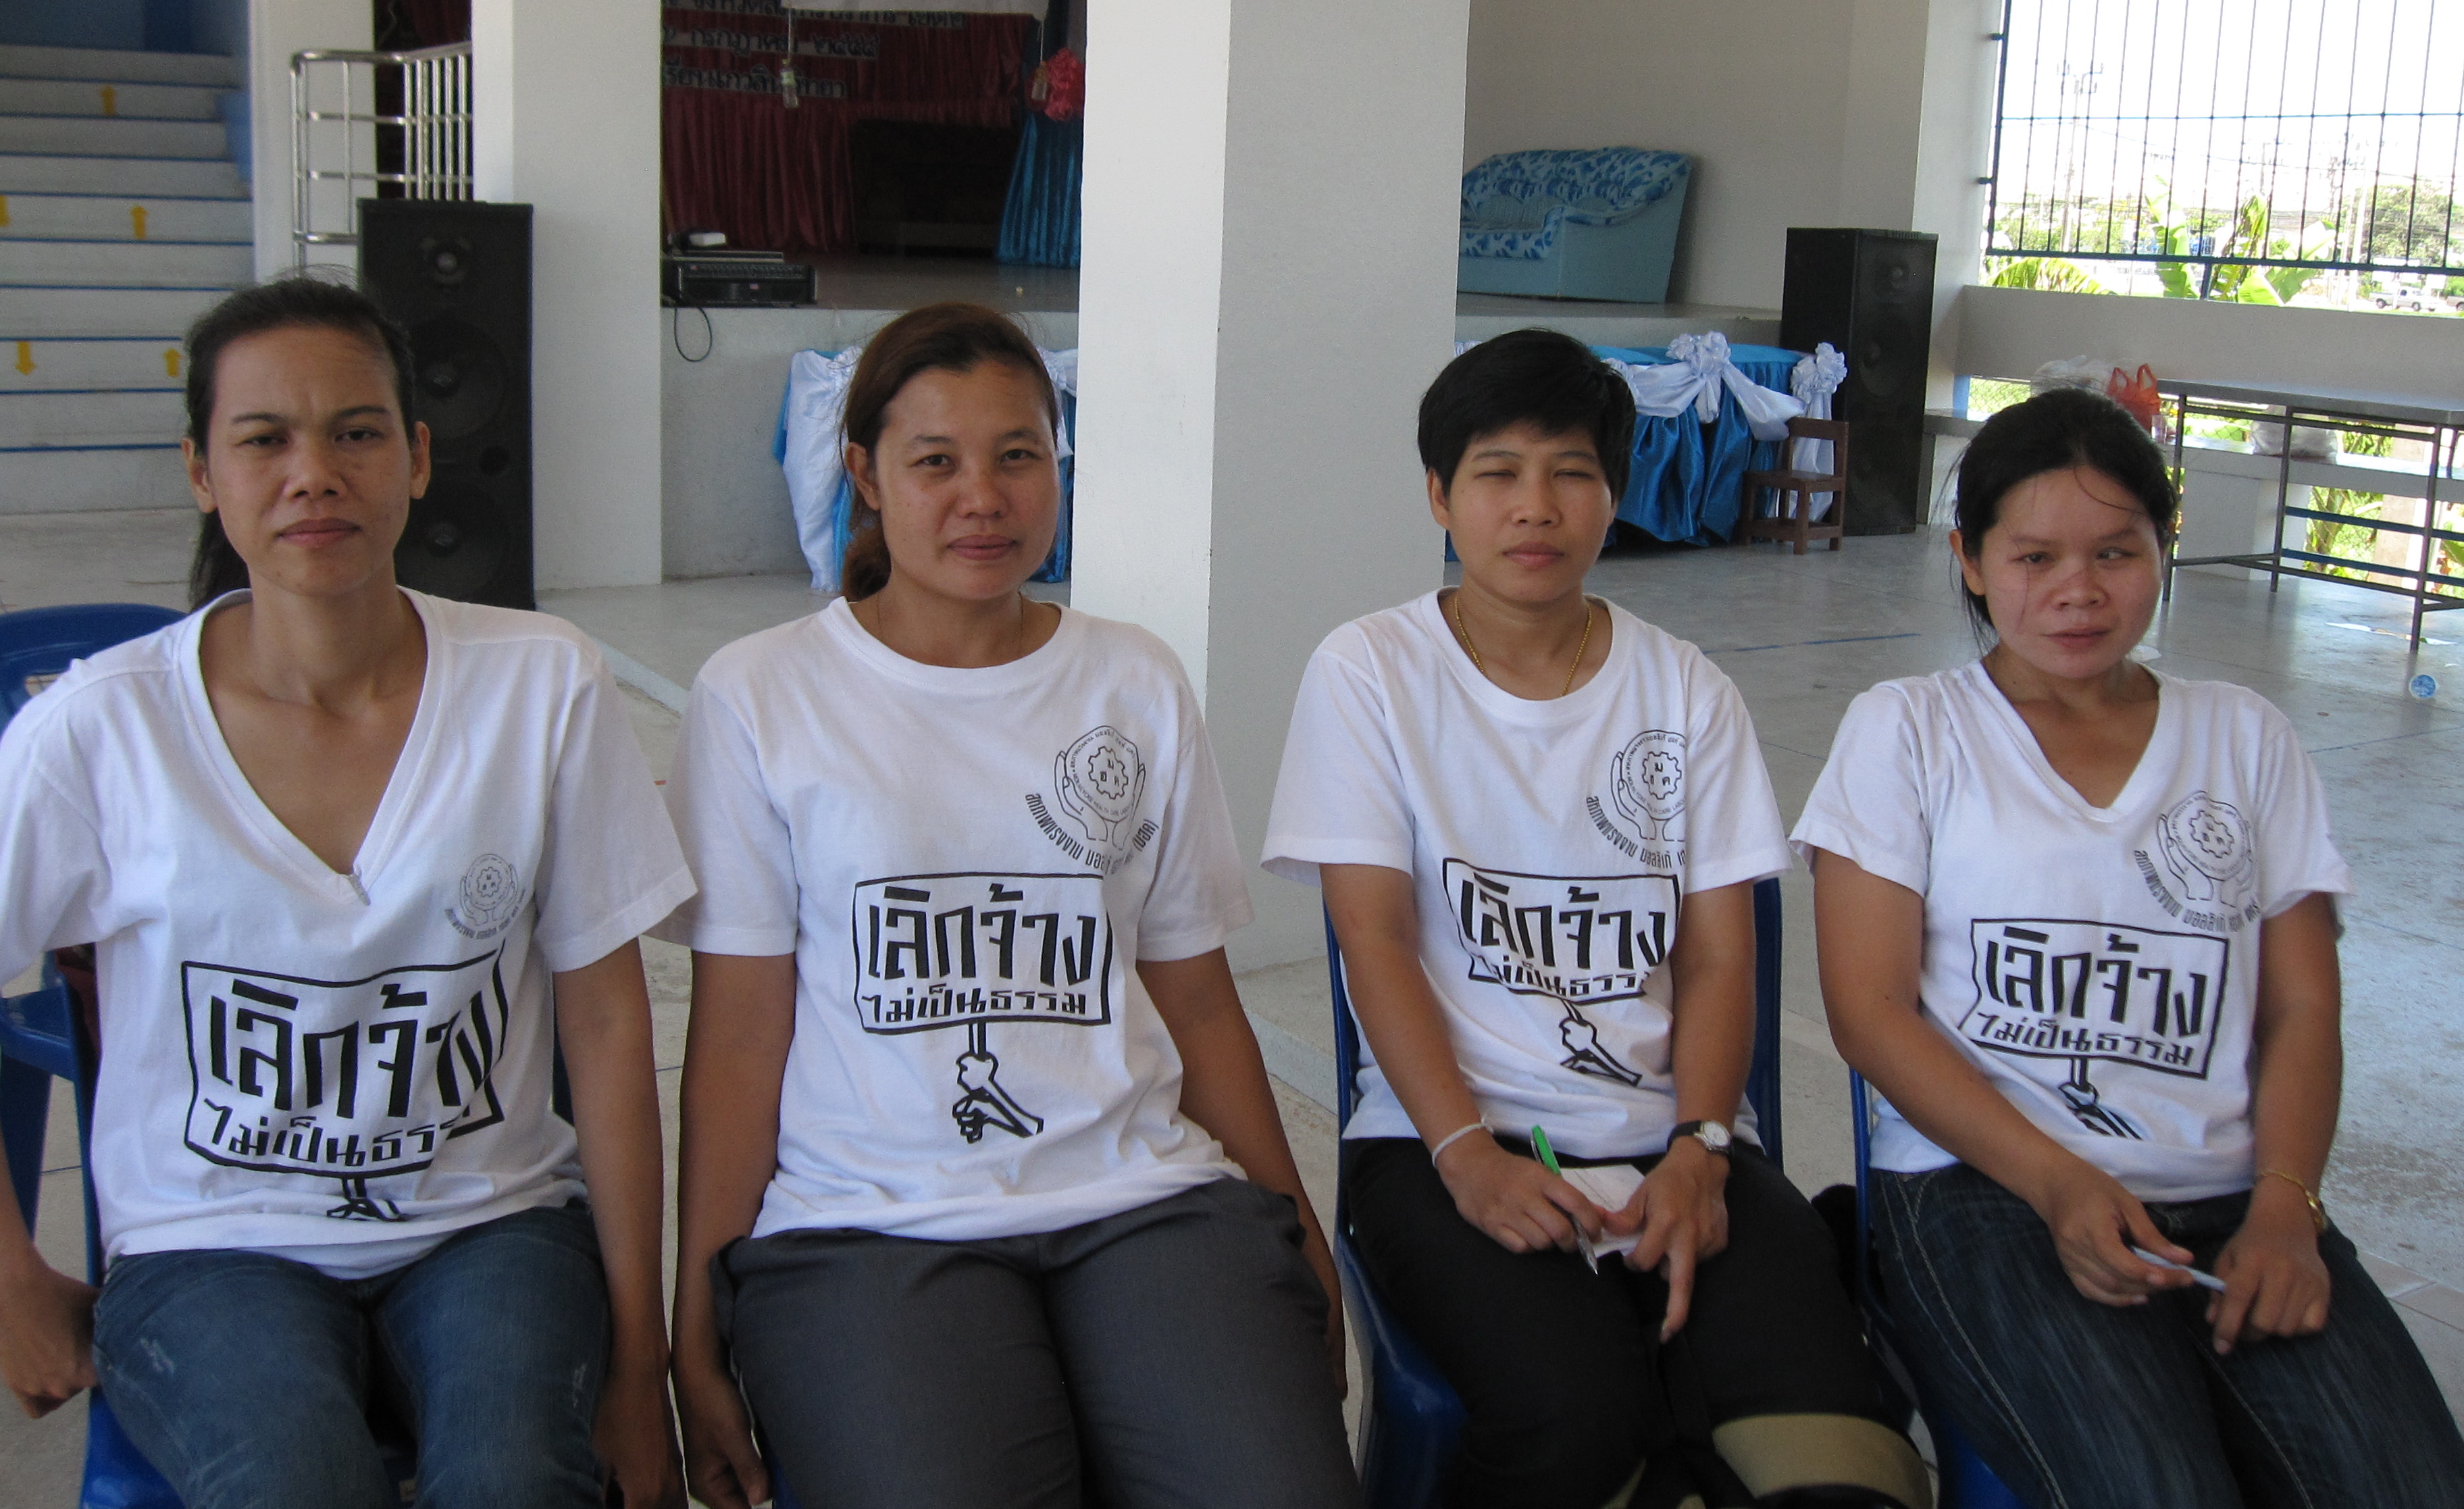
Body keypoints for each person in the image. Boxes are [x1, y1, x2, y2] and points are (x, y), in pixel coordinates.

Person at [0, 276, 690, 1509]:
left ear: (417, 458)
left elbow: (605, 1020)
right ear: (203, 472)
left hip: (493, 1224)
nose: (312, 474)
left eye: (356, 432)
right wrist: (11, 1281)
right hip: (208, 1246)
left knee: (517, 1479)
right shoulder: (101, 730)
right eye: (264, 439)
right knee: (291, 1482)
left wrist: (644, 1368)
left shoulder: (541, 685)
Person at [663, 301, 1358, 1509]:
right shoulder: (761, 695)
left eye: (1019, 455)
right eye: (936, 461)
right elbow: (734, 1040)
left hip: (1142, 1197)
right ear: (864, 476)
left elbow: (1195, 1000)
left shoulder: (1133, 677)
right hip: (869, 1224)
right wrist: (695, 1319)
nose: (982, 498)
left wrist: (1293, 1225)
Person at [1264, 329, 1925, 1509]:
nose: (1536, 507)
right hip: (1443, 1142)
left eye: (1571, 472)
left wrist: (1703, 1149)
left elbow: (1719, 957)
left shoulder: (1686, 689)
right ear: (1439, 495)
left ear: (1615, 494)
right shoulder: (1369, 674)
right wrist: (1466, 1157)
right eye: (1498, 473)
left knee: (1841, 1459)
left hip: (1677, 1139)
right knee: (1578, 1425)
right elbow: (1375, 940)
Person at [1801, 385, 2464, 1509]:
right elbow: (1870, 1012)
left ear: (2165, 548)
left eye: (2116, 552)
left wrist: (2286, 1210)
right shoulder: (1909, 729)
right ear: (1970, 561)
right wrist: (2059, 1182)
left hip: (2231, 1193)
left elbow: (2303, 1007)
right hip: (1987, 1189)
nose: (2079, 590)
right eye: (2035, 557)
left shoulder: (2245, 738)